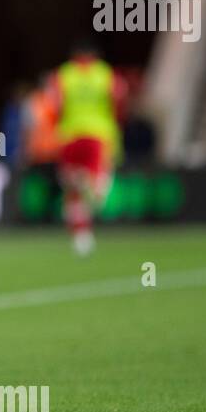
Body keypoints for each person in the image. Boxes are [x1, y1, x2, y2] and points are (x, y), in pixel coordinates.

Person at [47, 41, 126, 256]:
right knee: (91, 189)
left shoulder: (64, 74)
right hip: (98, 135)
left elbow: (55, 105)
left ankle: (81, 235)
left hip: (71, 135)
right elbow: (118, 101)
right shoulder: (105, 74)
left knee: (71, 188)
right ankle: (94, 186)